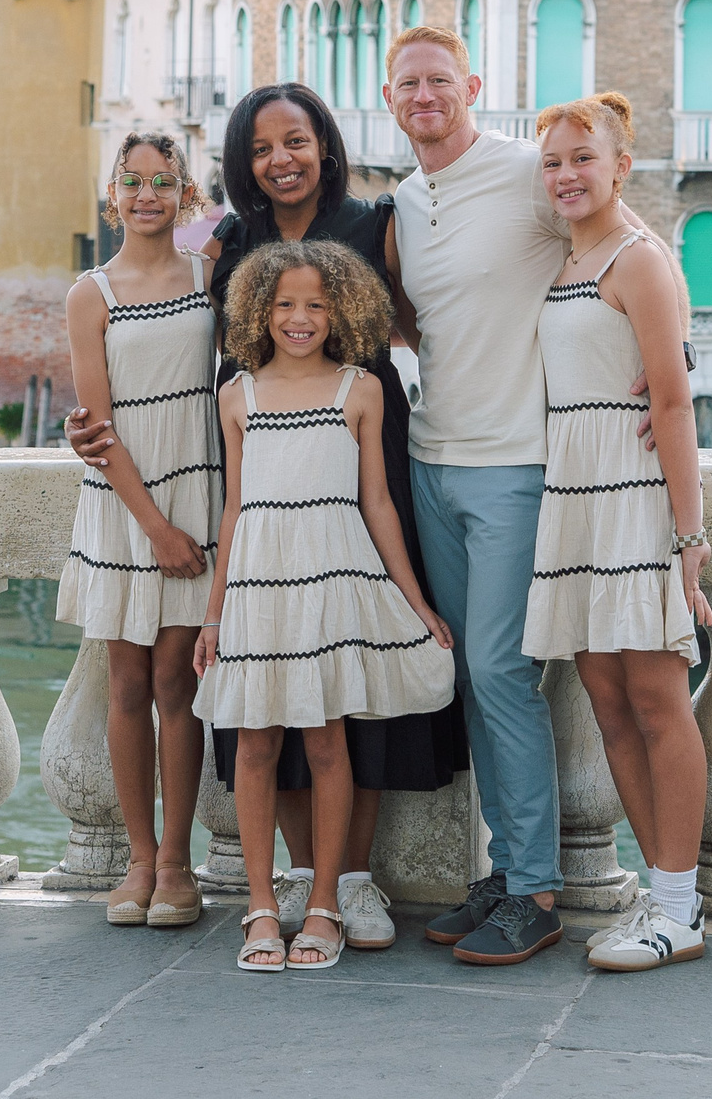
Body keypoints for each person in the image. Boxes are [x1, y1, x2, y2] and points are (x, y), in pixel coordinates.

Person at [381, 25, 679, 967]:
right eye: (407, 85)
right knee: (473, 672)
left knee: (505, 675)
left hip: (517, 465)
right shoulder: (405, 197)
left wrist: (675, 355)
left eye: (440, 80)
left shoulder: (524, 169)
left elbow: (623, 233)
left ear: (469, 84)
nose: (424, 96)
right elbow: (413, 314)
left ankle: (538, 890)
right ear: (391, 100)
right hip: (434, 461)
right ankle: (507, 872)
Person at [195, 83, 466, 950]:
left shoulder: (375, 222)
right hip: (269, 476)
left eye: (297, 140)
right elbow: (185, 330)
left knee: (362, 678)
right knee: (272, 701)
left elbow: (436, 324)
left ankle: (347, 882)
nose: (282, 158)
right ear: (246, 161)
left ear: (324, 144)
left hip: (362, 454)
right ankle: (285, 884)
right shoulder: (230, 242)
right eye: (264, 146)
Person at [526, 92, 712, 971]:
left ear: (620, 165)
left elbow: (673, 401)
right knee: (605, 696)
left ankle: (680, 906)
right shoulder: (573, 258)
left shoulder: (637, 259)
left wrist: (689, 539)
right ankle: (662, 890)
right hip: (576, 487)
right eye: (553, 161)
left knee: (654, 696)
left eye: (583, 158)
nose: (566, 174)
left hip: (633, 494)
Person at [57, 132, 216, 930]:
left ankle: (181, 865)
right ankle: (139, 859)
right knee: (127, 684)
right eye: (132, 182)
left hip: (199, 488)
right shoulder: (92, 293)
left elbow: (238, 223)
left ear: (183, 191)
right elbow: (100, 424)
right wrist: (154, 527)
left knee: (175, 683)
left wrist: (203, 213)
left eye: (163, 181)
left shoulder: (208, 269)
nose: (147, 195)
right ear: (110, 193)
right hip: (126, 509)